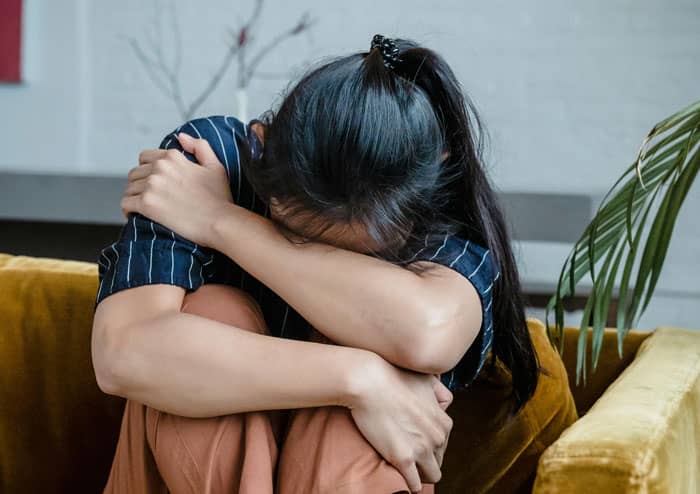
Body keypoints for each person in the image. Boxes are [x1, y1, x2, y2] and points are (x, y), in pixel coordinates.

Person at [91, 34, 539, 493]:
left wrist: (219, 221)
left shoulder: (439, 225)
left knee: (383, 354)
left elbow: (424, 334)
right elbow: (123, 352)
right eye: (295, 230)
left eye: (356, 252)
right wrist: (358, 380)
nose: (321, 256)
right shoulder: (211, 160)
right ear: (262, 145)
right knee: (216, 312)